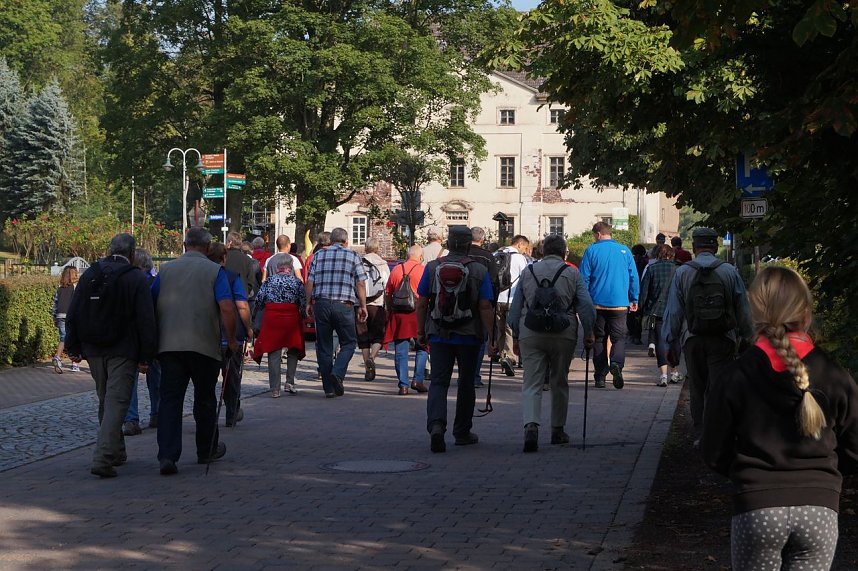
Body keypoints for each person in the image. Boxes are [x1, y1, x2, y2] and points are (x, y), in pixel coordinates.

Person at [701, 266, 858, 570]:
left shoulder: (735, 374)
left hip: (757, 507)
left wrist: (747, 474)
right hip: (820, 508)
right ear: (806, 311)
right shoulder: (835, 374)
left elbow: (713, 451)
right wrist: (825, 475)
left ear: (755, 310)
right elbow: (855, 448)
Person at [65, 233, 157, 478]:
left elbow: (74, 311)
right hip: (123, 349)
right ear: (132, 254)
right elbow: (146, 319)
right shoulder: (135, 278)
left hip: (93, 348)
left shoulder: (90, 274)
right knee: (116, 402)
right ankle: (103, 457)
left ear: (109, 250)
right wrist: (146, 356)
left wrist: (72, 346)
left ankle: (116, 451)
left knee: (106, 399)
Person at [152, 227, 239, 475]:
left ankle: (167, 455)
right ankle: (206, 449)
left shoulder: (165, 270)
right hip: (204, 345)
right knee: (205, 399)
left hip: (169, 346)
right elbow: (227, 307)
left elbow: (151, 301)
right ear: (208, 247)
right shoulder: (215, 271)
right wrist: (231, 339)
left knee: (170, 400)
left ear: (184, 244)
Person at [662, 227, 753, 442]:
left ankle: (701, 434)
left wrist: (670, 342)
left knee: (697, 386)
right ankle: (719, 435)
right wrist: (748, 337)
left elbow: (673, 311)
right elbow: (743, 309)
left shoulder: (682, 272)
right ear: (716, 247)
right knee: (719, 387)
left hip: (691, 338)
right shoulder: (729, 271)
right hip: (723, 338)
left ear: (694, 248)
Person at [508, 234, 595, 452]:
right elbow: (586, 307)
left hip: (531, 331)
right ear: (564, 252)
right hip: (563, 331)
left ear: (542, 251)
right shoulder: (572, 272)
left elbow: (515, 309)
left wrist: (517, 335)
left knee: (531, 382)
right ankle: (557, 429)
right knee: (559, 380)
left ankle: (531, 425)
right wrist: (589, 333)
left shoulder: (528, 271)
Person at [417, 225, 495, 453]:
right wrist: (491, 336)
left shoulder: (432, 268)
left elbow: (422, 302)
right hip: (469, 335)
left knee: (439, 382)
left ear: (448, 244)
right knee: (466, 382)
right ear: (469, 245)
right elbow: (484, 306)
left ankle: (437, 427)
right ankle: (461, 432)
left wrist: (421, 331)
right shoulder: (479, 270)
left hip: (439, 333)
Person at [305, 227, 368, 398]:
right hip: (344, 305)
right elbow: (360, 283)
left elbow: (310, 281)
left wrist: (308, 302)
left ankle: (328, 388)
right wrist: (363, 305)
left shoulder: (318, 255)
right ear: (346, 241)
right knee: (348, 342)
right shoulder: (353, 255)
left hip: (322, 304)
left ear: (331, 241)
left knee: (324, 346)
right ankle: (338, 373)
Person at [579, 222, 639, 389]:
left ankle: (600, 376)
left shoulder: (591, 250)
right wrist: (634, 298)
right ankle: (617, 364)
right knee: (618, 338)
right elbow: (633, 276)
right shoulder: (625, 251)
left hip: (597, 303)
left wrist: (584, 301)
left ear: (598, 234)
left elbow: (584, 279)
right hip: (620, 304)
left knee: (599, 339)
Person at [207, 242, 254, 425]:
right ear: (224, 258)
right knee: (231, 375)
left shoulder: (203, 275)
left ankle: (207, 414)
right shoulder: (232, 276)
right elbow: (242, 305)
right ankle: (232, 412)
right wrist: (248, 327)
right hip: (229, 332)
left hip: (207, 333)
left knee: (208, 378)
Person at [253, 253, 306, 397]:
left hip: (273, 317)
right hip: (291, 317)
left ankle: (275, 389)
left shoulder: (269, 281)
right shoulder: (296, 282)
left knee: (274, 351)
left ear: (277, 267)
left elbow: (259, 300)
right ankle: (290, 382)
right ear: (290, 266)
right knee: (293, 349)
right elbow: (302, 302)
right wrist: (302, 314)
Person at [122, 249, 161, 435]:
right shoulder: (155, 283)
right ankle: (157, 413)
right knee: (156, 378)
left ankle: (131, 419)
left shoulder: (126, 283)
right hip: (154, 337)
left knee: (131, 381)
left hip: (130, 338)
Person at [384, 245, 426, 395]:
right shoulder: (423, 270)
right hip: (418, 313)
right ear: (420, 257)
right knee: (422, 347)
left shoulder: (396, 269)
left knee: (401, 350)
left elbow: (388, 293)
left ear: (407, 255)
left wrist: (389, 310)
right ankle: (418, 380)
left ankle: (403, 385)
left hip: (399, 314)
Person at [638, 244, 679, 387]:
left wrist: (640, 308)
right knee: (674, 340)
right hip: (675, 310)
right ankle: (674, 372)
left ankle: (663, 375)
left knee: (661, 342)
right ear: (671, 254)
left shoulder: (652, 269)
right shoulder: (678, 269)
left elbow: (644, 292)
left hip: (657, 310)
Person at [467, 227, 500, 388]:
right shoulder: (487, 257)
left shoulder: (462, 254)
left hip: (461, 304)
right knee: (480, 340)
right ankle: (474, 376)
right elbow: (494, 282)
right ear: (482, 239)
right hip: (483, 303)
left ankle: (465, 375)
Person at [495, 234, 531, 376]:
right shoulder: (520, 258)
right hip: (512, 298)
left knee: (500, 329)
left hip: (497, 298)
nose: (525, 250)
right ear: (520, 244)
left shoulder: (496, 254)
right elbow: (525, 278)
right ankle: (509, 358)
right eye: (525, 247)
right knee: (510, 329)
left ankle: (503, 356)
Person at [358, 237, 390, 381]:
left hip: (361, 304)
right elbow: (387, 286)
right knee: (378, 336)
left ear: (365, 247)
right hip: (378, 304)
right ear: (378, 248)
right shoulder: (383, 264)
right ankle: (372, 357)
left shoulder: (359, 261)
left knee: (363, 337)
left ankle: (367, 368)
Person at [52, 266, 79, 374]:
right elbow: (77, 302)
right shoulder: (76, 286)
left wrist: (54, 316)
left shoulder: (59, 287)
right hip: (71, 316)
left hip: (60, 315)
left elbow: (55, 303)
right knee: (74, 338)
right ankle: (74, 363)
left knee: (63, 337)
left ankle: (58, 357)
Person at [225, 231, 259, 299]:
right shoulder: (247, 259)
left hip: (224, 296)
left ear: (229, 242)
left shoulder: (223, 257)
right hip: (242, 296)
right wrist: (246, 292)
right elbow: (251, 281)